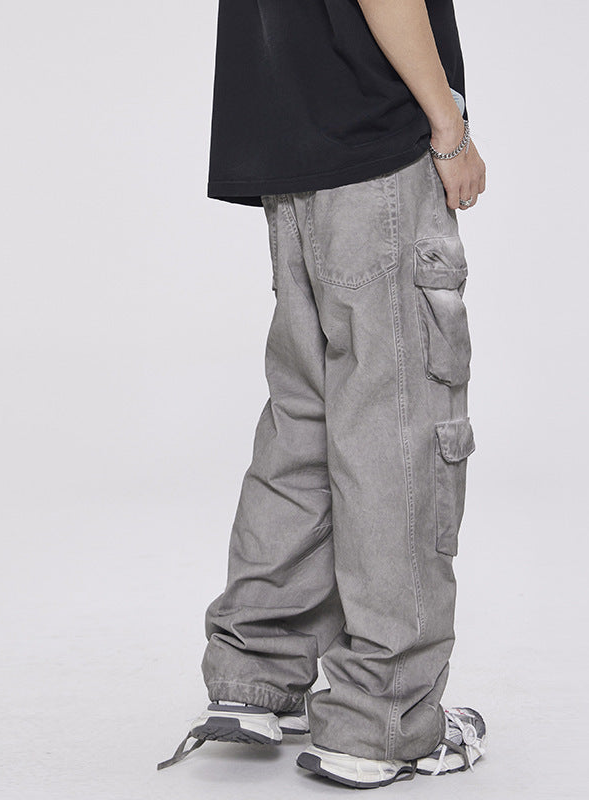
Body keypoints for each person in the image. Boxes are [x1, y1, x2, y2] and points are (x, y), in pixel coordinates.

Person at [158, 0, 487, 788]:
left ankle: (255, 674)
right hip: (376, 151)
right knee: (397, 433)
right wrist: (449, 128)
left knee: (304, 423)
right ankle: (384, 722)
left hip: (290, 146)